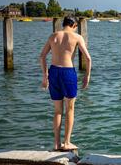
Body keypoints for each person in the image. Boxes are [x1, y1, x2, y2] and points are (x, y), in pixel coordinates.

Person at [39, 16, 92, 151]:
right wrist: (87, 76)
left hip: (54, 72)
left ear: (63, 24)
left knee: (57, 111)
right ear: (74, 25)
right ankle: (67, 142)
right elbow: (88, 58)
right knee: (70, 108)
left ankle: (57, 144)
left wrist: (45, 76)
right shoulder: (77, 37)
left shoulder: (53, 36)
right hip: (68, 73)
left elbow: (42, 56)